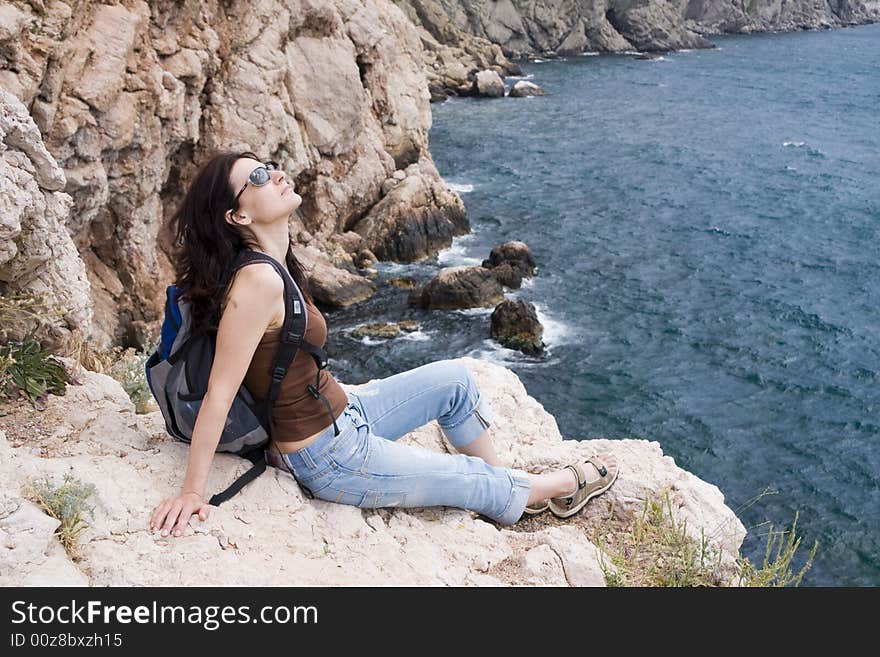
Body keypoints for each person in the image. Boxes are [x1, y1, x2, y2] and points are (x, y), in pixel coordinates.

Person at [148, 150, 619, 538]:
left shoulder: (275, 261)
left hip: (348, 412)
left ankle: (502, 493)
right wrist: (192, 491)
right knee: (466, 478)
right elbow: (220, 393)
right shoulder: (257, 282)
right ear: (238, 214)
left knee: (456, 380)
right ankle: (527, 489)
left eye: (269, 164)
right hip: (326, 456)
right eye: (257, 176)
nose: (276, 173)